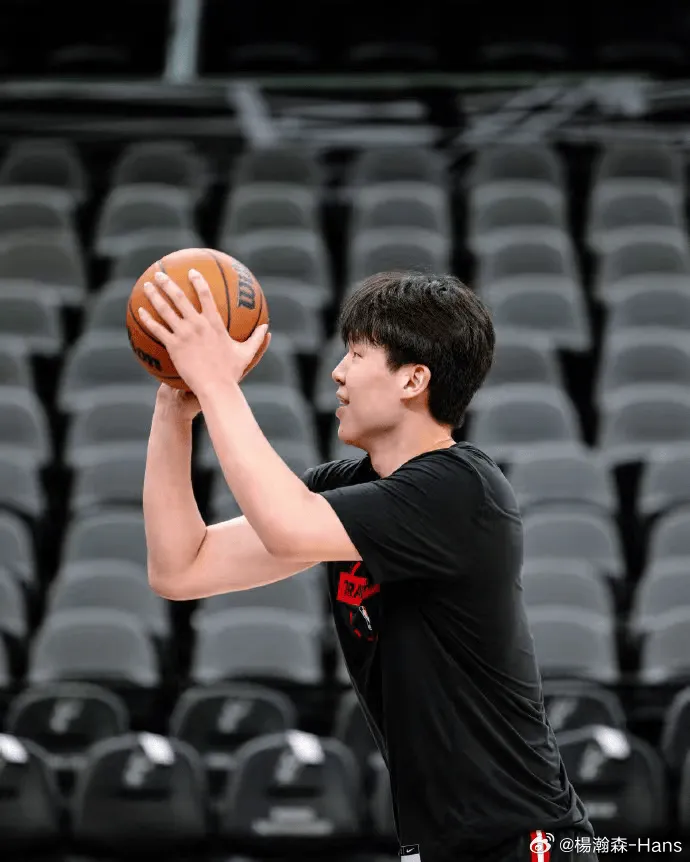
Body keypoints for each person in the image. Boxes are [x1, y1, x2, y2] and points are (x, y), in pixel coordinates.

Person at [140, 268, 596, 862]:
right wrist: (174, 408)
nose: (338, 372)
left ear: (413, 379)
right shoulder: (346, 488)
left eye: (356, 354)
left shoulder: (461, 488)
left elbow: (287, 524)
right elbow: (180, 569)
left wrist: (217, 381)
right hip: (440, 844)